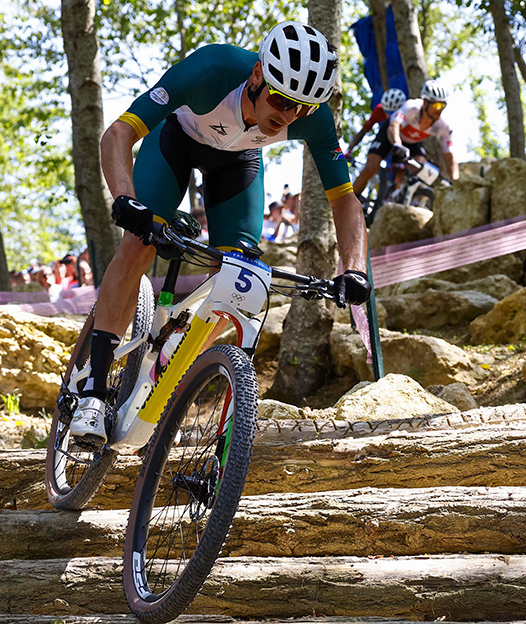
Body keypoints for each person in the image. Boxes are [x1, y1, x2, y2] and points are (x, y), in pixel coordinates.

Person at [69, 21, 372, 446]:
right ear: (257, 76)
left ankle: (176, 354)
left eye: (299, 108)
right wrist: (125, 200)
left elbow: (344, 199)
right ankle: (93, 392)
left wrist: (354, 269)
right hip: (174, 141)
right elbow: (119, 133)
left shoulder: (313, 118)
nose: (285, 116)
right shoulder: (212, 69)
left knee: (239, 275)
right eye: (281, 99)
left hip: (236, 163)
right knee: (140, 243)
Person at [387, 80, 459, 182]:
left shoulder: (444, 126)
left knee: (422, 166)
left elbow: (449, 156)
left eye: (443, 105)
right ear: (425, 103)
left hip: (413, 143)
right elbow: (394, 125)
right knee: (372, 165)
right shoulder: (411, 107)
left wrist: (456, 180)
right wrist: (398, 145)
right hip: (393, 135)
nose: (439, 110)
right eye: (436, 105)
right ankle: (356, 195)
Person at [344, 87, 408, 198]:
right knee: (371, 166)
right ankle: (352, 199)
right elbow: (364, 131)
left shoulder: (408, 111)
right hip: (384, 135)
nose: (389, 115)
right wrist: (349, 149)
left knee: (403, 168)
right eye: (387, 111)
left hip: (402, 135)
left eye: (392, 113)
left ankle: (394, 195)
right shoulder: (379, 110)